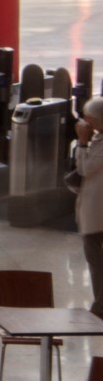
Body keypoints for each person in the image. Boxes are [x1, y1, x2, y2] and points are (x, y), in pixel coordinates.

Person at [74, 97, 103, 319]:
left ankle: (100, 307)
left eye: (89, 119)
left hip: (97, 213)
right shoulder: (99, 139)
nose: (85, 122)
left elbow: (85, 169)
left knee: (96, 261)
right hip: (94, 211)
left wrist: (82, 142)